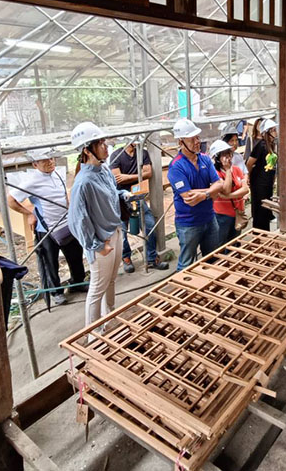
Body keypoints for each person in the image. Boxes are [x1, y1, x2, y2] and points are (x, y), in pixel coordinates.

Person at [7, 148, 86, 307]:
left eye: (51, 159)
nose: (50, 162)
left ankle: (77, 282)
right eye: (44, 160)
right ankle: (56, 292)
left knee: (75, 254)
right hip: (46, 229)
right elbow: (11, 200)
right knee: (50, 261)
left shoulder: (58, 174)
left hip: (65, 223)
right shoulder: (31, 181)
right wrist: (29, 214)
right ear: (35, 164)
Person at [67, 122, 128, 327]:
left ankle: (109, 320)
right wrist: (97, 245)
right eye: (100, 143)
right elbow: (77, 220)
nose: (106, 146)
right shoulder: (83, 182)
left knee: (111, 280)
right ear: (86, 150)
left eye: (104, 142)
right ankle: (93, 332)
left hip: (115, 232)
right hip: (102, 241)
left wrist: (123, 194)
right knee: (97, 287)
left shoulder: (104, 171)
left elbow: (110, 194)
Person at [168, 118, 224, 271]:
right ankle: (183, 292)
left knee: (212, 259)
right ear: (181, 142)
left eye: (197, 137)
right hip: (188, 223)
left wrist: (203, 194)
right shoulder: (176, 167)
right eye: (192, 139)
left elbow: (220, 184)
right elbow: (189, 199)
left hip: (209, 218)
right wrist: (211, 192)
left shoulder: (205, 159)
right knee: (186, 264)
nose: (197, 141)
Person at [109, 142, 169, 271]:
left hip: (137, 196)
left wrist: (128, 177)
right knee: (122, 231)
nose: (137, 143)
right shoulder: (116, 155)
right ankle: (126, 257)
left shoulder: (143, 153)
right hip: (121, 198)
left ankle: (152, 258)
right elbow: (117, 179)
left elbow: (148, 173)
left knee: (149, 225)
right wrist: (138, 176)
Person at [209, 139, 249, 246]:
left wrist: (229, 196)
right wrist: (227, 170)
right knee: (222, 243)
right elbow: (226, 189)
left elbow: (245, 189)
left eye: (229, 154)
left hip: (237, 212)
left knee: (236, 241)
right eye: (224, 155)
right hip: (222, 215)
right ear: (217, 158)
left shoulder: (236, 170)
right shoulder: (215, 174)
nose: (229, 158)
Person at [246, 118, 278, 231]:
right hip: (259, 184)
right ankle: (258, 237)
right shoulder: (260, 145)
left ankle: (265, 234)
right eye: (273, 130)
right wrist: (248, 178)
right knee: (259, 212)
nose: (276, 132)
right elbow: (249, 163)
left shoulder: (272, 146)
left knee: (266, 211)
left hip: (267, 183)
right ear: (267, 132)